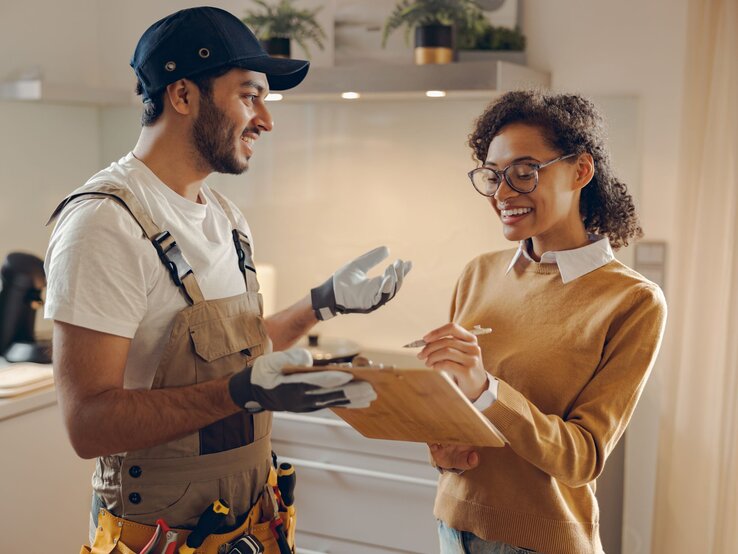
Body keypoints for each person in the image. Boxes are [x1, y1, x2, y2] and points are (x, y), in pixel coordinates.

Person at [44, 7, 411, 554]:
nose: (265, 119)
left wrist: (321, 305)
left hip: (250, 521)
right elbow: (88, 424)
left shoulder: (223, 216)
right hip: (157, 536)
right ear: (183, 95)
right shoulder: (105, 223)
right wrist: (243, 392)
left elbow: (235, 349)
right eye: (249, 95)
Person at [417, 90, 667, 554]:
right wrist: (444, 448)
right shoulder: (479, 273)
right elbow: (459, 413)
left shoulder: (631, 301)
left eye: (525, 173)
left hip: (539, 542)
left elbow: (583, 457)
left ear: (581, 171)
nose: (504, 194)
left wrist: (484, 389)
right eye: (493, 177)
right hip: (452, 526)